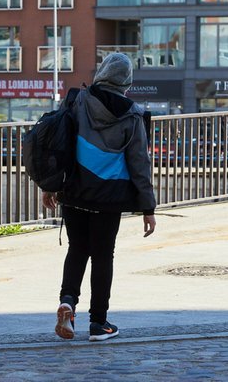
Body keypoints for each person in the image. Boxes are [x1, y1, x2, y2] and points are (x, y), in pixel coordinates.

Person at [42, 52, 157, 342]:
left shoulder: (76, 101)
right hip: (109, 197)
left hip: (74, 192)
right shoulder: (132, 115)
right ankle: (99, 323)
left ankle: (68, 301)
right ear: (127, 82)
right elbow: (140, 164)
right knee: (104, 256)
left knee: (77, 248)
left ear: (102, 73)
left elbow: (58, 145)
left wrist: (49, 185)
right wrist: (148, 207)